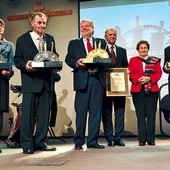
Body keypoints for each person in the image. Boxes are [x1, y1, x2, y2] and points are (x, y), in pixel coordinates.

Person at [14, 12, 58, 154]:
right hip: (30, 82)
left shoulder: (50, 39)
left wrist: (56, 63)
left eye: (44, 23)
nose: (42, 26)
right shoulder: (22, 39)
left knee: (45, 115)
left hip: (46, 82)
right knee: (28, 116)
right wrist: (25, 64)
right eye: (39, 22)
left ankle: (41, 142)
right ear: (32, 23)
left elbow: (53, 57)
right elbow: (17, 60)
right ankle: (27, 144)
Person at [65, 19, 106, 150]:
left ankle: (93, 141)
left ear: (92, 28)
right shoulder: (73, 43)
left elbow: (107, 59)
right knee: (81, 113)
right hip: (82, 80)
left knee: (95, 112)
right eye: (82, 26)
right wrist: (76, 62)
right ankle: (78, 141)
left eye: (87, 26)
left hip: (97, 80)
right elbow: (68, 59)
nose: (84, 28)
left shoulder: (101, 42)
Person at [128, 40, 162, 146]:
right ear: (138, 50)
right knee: (141, 115)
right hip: (138, 90)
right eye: (141, 48)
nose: (143, 50)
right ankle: (142, 140)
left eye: (145, 48)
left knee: (151, 115)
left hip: (152, 90)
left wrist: (149, 78)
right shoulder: (133, 60)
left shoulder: (154, 60)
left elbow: (158, 73)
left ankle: (151, 140)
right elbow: (130, 74)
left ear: (148, 49)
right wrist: (138, 79)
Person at [102, 28, 128, 147]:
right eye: (110, 35)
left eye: (114, 35)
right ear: (105, 37)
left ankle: (118, 137)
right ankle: (109, 137)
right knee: (106, 112)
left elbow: (125, 67)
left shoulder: (122, 51)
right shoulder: (101, 50)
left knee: (119, 111)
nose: (112, 36)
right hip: (105, 86)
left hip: (119, 87)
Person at [0, 19, 14, 153]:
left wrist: (9, 72)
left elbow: (12, 64)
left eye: (1, 27)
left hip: (2, 81)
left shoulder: (9, 45)